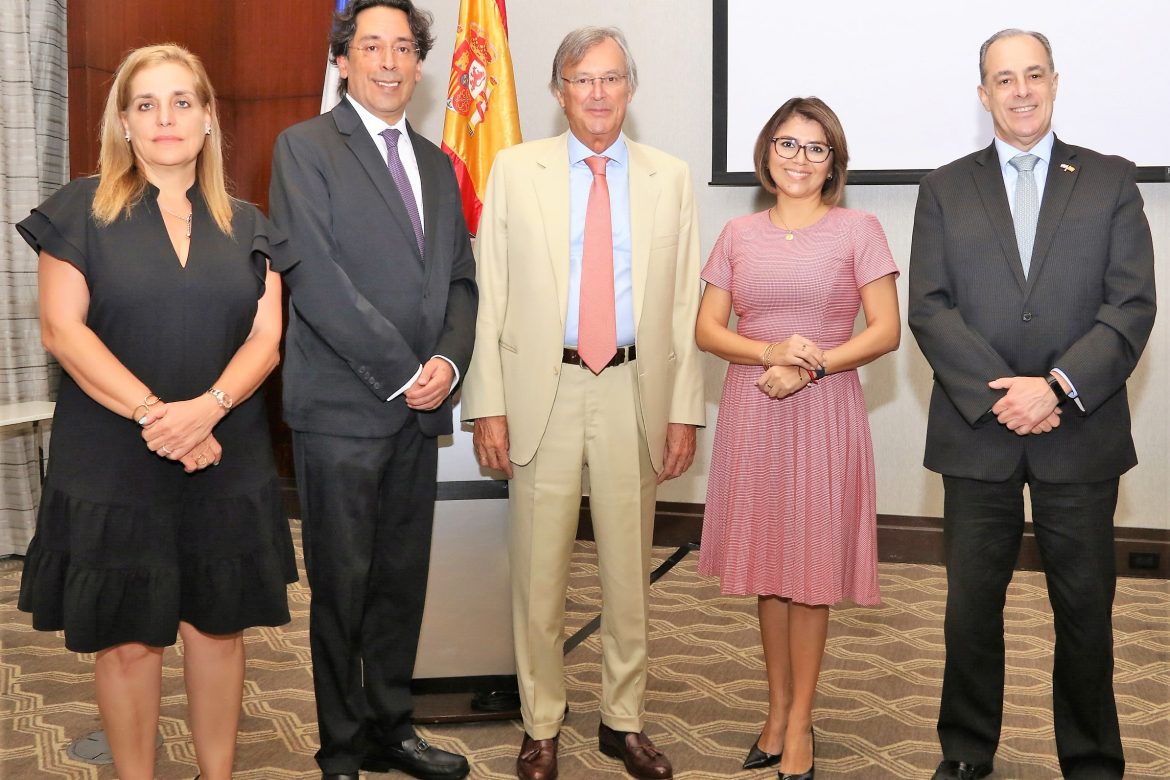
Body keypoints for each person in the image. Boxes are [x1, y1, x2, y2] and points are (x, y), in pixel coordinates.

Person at [13, 43, 296, 780]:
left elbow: (267, 338)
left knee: (217, 631)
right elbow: (62, 330)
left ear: (207, 120)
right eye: (146, 104)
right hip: (111, 460)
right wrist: (157, 417)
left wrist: (206, 410)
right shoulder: (78, 209)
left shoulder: (250, 222)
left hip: (225, 456)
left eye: (181, 102)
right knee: (129, 640)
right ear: (125, 125)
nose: (165, 117)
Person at [908, 29, 1156, 780]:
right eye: (1003, 79)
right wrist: (1007, 396)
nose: (1020, 90)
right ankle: (965, 752)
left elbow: (1131, 305)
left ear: (1055, 82)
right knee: (970, 611)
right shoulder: (944, 187)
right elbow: (929, 306)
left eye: (1033, 75)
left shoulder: (1111, 180)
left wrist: (1053, 387)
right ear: (982, 94)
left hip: (1078, 431)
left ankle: (1090, 760)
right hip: (976, 433)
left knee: (1085, 615)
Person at [461, 25, 704, 780]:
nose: (596, 94)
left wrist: (685, 410)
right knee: (539, 574)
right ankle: (541, 723)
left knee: (629, 573)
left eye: (610, 79)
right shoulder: (513, 168)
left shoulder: (670, 176)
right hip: (544, 390)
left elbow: (683, 306)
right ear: (558, 91)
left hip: (636, 388)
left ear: (630, 90)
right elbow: (490, 295)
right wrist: (487, 405)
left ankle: (622, 721)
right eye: (580, 80)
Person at [267, 1, 477, 778]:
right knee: (342, 590)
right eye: (371, 46)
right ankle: (342, 745)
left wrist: (448, 367)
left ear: (420, 64)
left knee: (398, 585)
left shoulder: (436, 162)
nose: (389, 61)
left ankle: (394, 726)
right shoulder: (306, 147)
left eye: (403, 48)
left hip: (421, 413)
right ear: (343, 60)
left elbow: (461, 280)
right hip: (343, 414)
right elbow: (315, 280)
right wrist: (403, 373)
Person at [695, 96, 900, 780]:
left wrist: (808, 365)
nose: (800, 159)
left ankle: (803, 721)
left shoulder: (859, 228)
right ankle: (776, 711)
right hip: (755, 413)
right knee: (768, 572)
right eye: (788, 144)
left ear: (834, 162)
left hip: (823, 411)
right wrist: (770, 354)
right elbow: (707, 330)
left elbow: (884, 330)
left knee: (810, 577)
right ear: (766, 152)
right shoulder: (738, 234)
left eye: (816, 148)